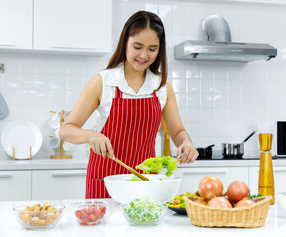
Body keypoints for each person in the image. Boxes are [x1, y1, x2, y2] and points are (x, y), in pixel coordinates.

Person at [59, 10, 198, 199]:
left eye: (152, 49)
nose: (143, 55)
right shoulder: (104, 81)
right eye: (137, 46)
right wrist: (91, 135)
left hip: (145, 182)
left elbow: (177, 132)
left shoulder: (161, 86)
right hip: (105, 181)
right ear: (125, 42)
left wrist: (186, 143)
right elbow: (65, 130)